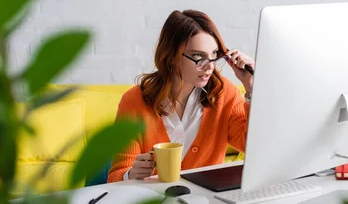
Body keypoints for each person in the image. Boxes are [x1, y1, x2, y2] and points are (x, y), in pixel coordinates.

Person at [107, 10, 254, 182]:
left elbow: (252, 147)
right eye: (198, 56)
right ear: (171, 56)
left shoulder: (225, 94)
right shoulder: (134, 101)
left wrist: (251, 88)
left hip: (207, 203)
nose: (209, 67)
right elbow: (115, 178)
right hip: (154, 202)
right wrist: (131, 174)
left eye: (214, 54)